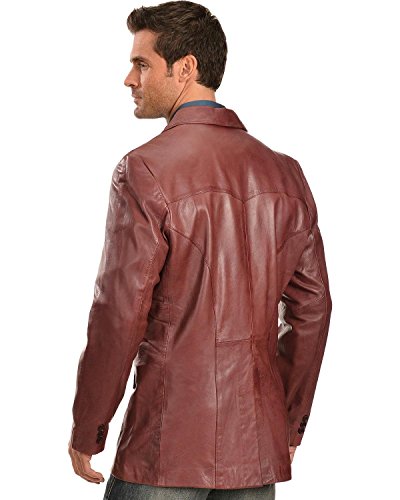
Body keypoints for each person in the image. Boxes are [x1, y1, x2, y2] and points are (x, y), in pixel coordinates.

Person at [68, 2, 333, 499]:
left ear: (185, 67)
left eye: (142, 63)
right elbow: (312, 310)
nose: (129, 78)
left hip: (165, 446)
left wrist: (89, 426)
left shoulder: (144, 169)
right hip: (255, 450)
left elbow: (119, 312)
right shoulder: (286, 173)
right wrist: (287, 422)